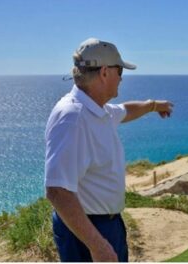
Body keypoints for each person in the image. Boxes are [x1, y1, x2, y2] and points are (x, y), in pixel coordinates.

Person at [44, 38, 173, 262]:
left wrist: (153, 105)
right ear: (104, 72)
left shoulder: (96, 110)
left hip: (107, 225)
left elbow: (126, 110)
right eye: (119, 70)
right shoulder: (73, 117)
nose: (122, 78)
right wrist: (97, 245)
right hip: (85, 231)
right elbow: (57, 191)